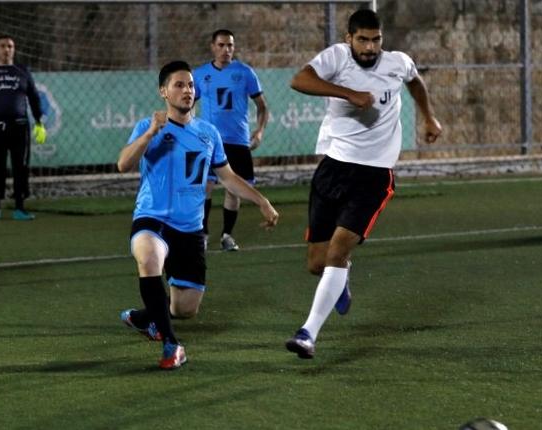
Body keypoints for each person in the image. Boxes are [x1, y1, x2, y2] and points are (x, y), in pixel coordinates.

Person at [285, 9, 442, 359]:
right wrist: (348, 94)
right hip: (334, 168)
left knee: (338, 251)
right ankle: (342, 275)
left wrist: (429, 116)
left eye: (376, 40)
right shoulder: (337, 58)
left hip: (374, 174)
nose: (370, 47)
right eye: (363, 40)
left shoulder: (398, 62)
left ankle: (308, 333)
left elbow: (416, 81)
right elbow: (299, 80)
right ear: (349, 39)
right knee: (318, 263)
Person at [117, 61, 279, 369]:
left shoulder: (208, 133)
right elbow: (123, 164)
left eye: (190, 85)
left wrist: (261, 201)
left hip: (190, 229)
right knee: (148, 258)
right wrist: (150, 133)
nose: (187, 90)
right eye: (178, 85)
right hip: (152, 218)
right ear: (163, 92)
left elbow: (228, 177)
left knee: (185, 308)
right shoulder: (147, 127)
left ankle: (144, 317)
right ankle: (171, 345)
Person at [193, 29, 269, 251]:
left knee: (234, 190)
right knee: (205, 187)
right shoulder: (199, 74)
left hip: (237, 141)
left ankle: (227, 235)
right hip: (208, 141)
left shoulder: (245, 73)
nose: (226, 50)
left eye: (230, 46)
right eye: (221, 45)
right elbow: (188, 104)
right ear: (212, 46)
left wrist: (260, 130)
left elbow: (262, 107)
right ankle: (203, 234)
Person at [0, 35, 45, 220]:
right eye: (3, 46)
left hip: (20, 126)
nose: (7, 49)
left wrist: (39, 122)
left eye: (10, 46)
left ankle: (20, 207)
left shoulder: (22, 71)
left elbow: (33, 96)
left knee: (20, 166)